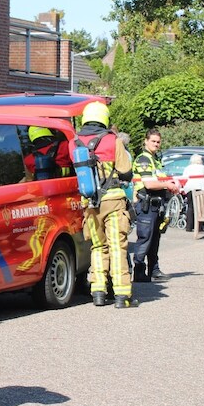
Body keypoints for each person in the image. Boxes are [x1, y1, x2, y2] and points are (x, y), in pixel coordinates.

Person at [71, 102, 136, 308]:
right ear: (104, 118)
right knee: (117, 247)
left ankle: (98, 292)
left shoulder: (75, 142)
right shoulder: (112, 140)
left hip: (89, 203)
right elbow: (125, 170)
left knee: (97, 247)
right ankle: (121, 295)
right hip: (113, 200)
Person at [130, 128, 181, 283]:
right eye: (153, 141)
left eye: (158, 142)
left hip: (156, 205)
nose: (156, 144)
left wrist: (171, 184)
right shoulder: (144, 159)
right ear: (145, 141)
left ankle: (154, 270)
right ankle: (139, 271)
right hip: (146, 204)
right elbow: (149, 183)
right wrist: (167, 184)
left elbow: (160, 179)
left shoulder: (155, 159)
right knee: (145, 238)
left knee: (154, 239)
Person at [180, 153, 204, 232]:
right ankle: (199, 227)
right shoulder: (203, 168)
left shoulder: (188, 168)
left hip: (190, 188)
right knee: (200, 207)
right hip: (200, 188)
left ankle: (189, 227)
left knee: (190, 207)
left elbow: (184, 178)